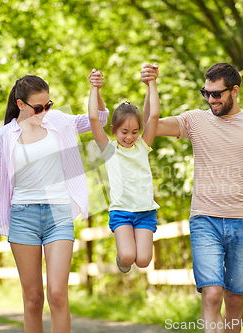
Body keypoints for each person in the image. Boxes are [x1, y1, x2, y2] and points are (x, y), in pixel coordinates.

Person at [141, 63, 243, 333]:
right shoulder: (195, 120)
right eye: (206, 93)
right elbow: (151, 126)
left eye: (217, 94)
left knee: (235, 300)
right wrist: (150, 86)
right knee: (213, 294)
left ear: (234, 91)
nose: (211, 99)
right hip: (205, 220)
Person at [0, 74, 108, 333]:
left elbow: (99, 119)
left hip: (59, 214)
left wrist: (95, 89)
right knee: (33, 299)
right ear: (20, 104)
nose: (44, 111)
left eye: (49, 105)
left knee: (57, 294)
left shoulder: (58, 121)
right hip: (23, 218)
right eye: (38, 107)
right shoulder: (3, 136)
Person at [87, 64, 160, 273]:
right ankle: (122, 257)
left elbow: (153, 115)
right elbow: (93, 119)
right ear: (114, 130)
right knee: (128, 256)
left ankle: (129, 257)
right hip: (121, 212)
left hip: (145, 211)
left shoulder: (143, 146)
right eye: (124, 132)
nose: (130, 137)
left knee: (144, 261)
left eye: (135, 131)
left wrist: (151, 83)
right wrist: (94, 88)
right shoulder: (109, 150)